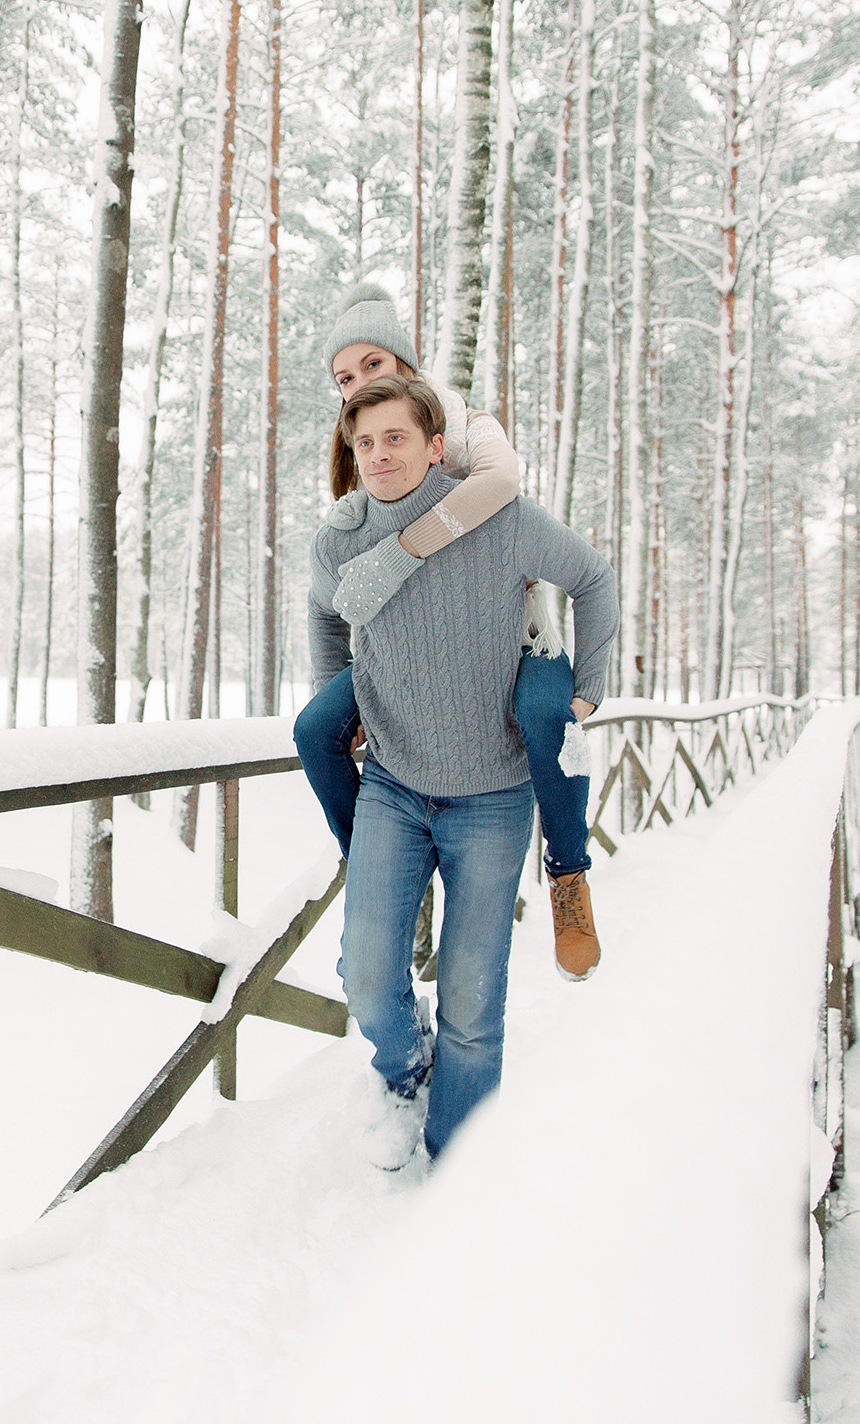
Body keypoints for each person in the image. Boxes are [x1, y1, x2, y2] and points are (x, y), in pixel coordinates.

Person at [310, 375, 618, 1166]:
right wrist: (330, 699)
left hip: (493, 795)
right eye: (366, 441)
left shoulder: (499, 519)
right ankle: (407, 1065)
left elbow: (592, 577)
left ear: (435, 446)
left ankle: (457, 1166)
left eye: (397, 438)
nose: (380, 454)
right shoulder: (339, 539)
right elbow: (325, 611)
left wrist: (588, 689)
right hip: (393, 784)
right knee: (368, 975)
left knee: (474, 1005)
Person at [293, 282, 613, 983]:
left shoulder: (465, 424)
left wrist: (403, 549)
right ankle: (382, 872)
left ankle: (568, 871)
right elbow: (338, 572)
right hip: (406, 650)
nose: (358, 385)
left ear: (405, 362)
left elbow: (501, 485)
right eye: (344, 379)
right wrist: (338, 690)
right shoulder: (361, 443)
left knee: (541, 714)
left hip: (513, 635)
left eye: (372, 366)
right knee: (315, 727)